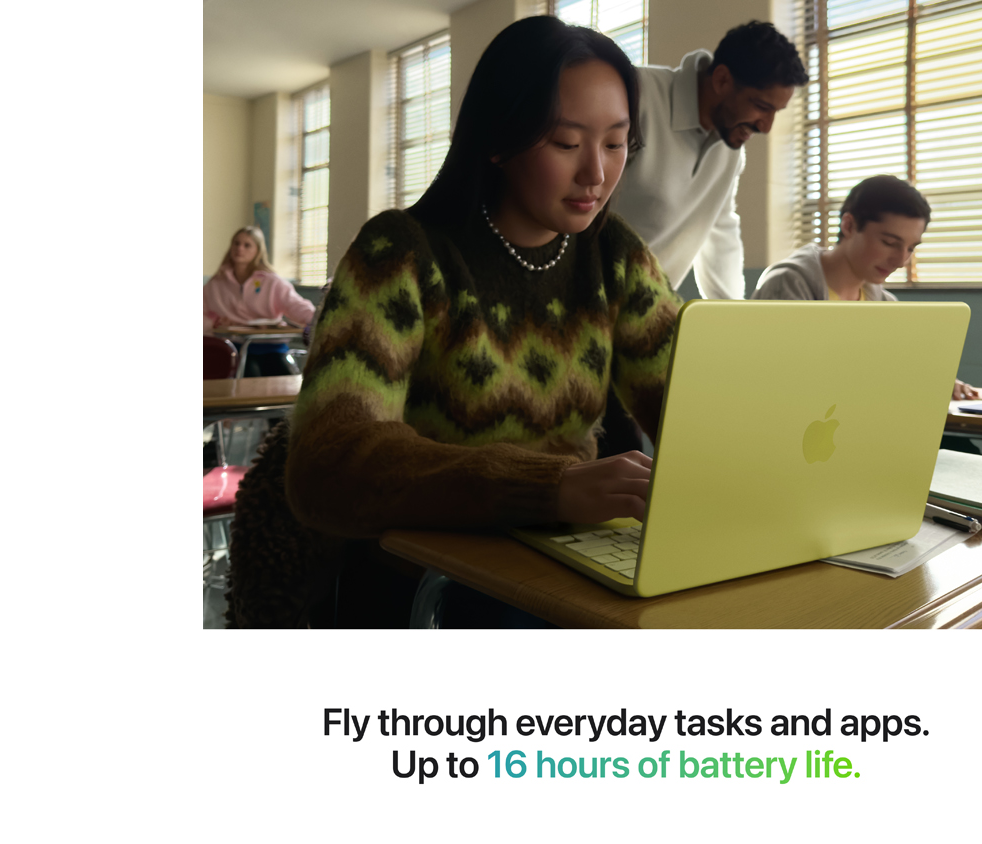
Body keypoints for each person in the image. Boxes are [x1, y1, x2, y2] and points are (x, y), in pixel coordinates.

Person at [225, 16, 681, 628]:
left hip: (570, 562)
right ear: (497, 140)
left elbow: (692, 407)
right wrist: (549, 487)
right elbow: (330, 464)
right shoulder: (401, 255)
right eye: (567, 144)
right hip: (429, 583)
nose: (596, 174)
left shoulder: (614, 257)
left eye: (617, 143)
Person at [610, 20, 808, 302]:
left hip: (644, 312)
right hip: (579, 301)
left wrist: (734, 318)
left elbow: (720, 231)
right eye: (761, 106)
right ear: (722, 80)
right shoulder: (637, 96)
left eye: (776, 111)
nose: (766, 126)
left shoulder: (730, 149)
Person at [752, 175, 979, 402]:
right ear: (849, 225)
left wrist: (934, 380)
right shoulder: (787, 286)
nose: (901, 260)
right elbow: (787, 384)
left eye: (910, 248)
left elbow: (895, 371)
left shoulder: (885, 305)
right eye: (889, 243)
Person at [203, 226, 315, 377]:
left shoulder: (272, 282)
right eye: (236, 243)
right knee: (250, 374)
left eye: (247, 245)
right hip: (234, 348)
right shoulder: (216, 283)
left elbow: (296, 305)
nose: (239, 249)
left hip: (271, 347)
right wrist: (214, 322)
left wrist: (317, 320)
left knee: (288, 379)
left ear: (257, 250)